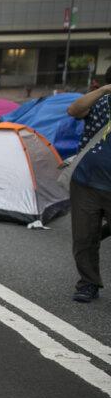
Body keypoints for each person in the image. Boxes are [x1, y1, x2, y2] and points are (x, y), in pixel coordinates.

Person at [66, 68, 111, 303]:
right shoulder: (100, 102)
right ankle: (88, 283)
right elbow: (73, 110)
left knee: (90, 235)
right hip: (86, 181)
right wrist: (102, 90)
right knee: (84, 238)